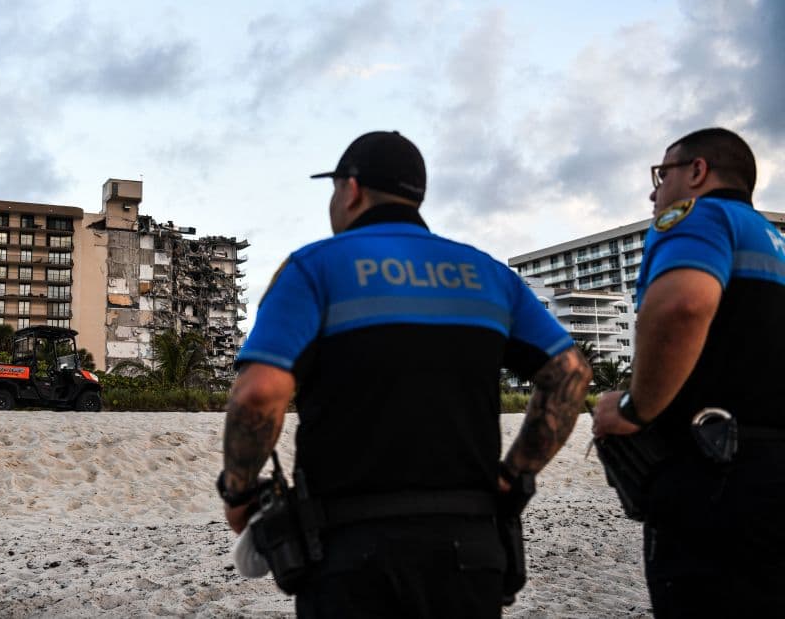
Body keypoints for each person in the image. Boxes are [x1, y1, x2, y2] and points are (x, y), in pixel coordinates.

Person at [218, 130, 592, 617]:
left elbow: (258, 393)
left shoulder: (314, 268)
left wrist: (240, 490)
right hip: (471, 546)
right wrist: (515, 473)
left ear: (351, 189)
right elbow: (570, 375)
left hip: (348, 551)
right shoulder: (488, 274)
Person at [593, 127, 785, 617]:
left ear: (697, 171)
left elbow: (682, 305)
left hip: (716, 475)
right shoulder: (774, 242)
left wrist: (636, 408)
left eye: (662, 175)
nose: (654, 191)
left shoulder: (700, 216)